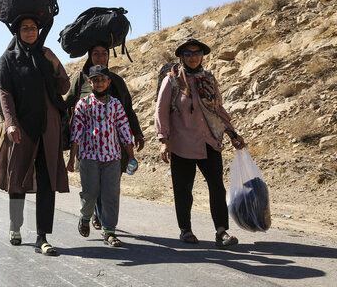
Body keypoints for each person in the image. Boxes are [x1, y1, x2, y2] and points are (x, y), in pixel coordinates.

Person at [0, 17, 70, 256]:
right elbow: (4, 92)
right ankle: (15, 225)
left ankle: (42, 237)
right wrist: (10, 123)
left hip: (49, 127)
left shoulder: (46, 55)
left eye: (34, 27)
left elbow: (63, 87)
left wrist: (55, 62)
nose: (30, 31)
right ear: (17, 31)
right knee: (17, 177)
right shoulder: (9, 59)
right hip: (22, 129)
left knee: (47, 181)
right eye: (25, 28)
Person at [155, 38, 246, 247]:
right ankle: (185, 230)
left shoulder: (209, 79)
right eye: (188, 54)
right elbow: (161, 111)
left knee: (217, 188)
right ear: (182, 57)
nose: (193, 57)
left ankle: (221, 232)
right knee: (183, 190)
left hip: (209, 141)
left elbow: (218, 109)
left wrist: (233, 133)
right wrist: (164, 140)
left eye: (197, 53)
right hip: (182, 144)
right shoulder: (172, 80)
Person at [65, 42, 144, 230]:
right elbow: (66, 107)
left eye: (103, 54)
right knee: (92, 190)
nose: (100, 57)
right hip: (87, 150)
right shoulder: (79, 81)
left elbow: (127, 112)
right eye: (95, 53)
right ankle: (91, 214)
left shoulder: (116, 83)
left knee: (110, 192)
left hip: (112, 150)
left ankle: (108, 228)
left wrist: (137, 134)